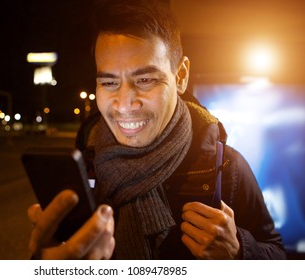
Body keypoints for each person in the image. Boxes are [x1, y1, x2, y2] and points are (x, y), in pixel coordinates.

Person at [27, 0, 286, 259]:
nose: (125, 103)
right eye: (109, 82)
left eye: (145, 80)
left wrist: (239, 250)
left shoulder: (226, 168)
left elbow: (278, 255)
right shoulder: (85, 167)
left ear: (181, 75)